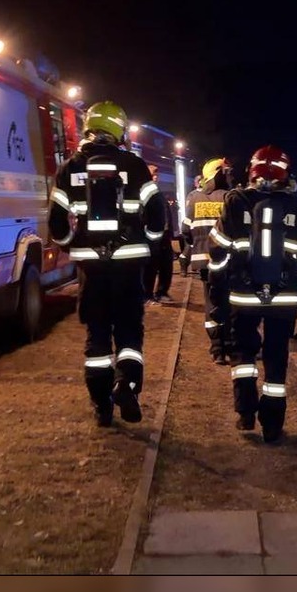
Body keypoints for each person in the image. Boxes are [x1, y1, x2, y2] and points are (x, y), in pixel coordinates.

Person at [47, 101, 166, 427]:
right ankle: (127, 385)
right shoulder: (135, 165)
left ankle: (101, 406)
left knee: (97, 335)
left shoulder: (69, 168)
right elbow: (157, 213)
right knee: (129, 329)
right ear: (119, 130)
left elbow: (56, 222)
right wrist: (149, 241)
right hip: (128, 265)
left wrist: (72, 244)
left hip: (92, 269)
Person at [210, 145, 297, 443]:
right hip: (283, 297)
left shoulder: (236, 200)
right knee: (276, 356)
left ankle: (245, 412)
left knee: (243, 353)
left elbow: (218, 246)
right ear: (286, 173)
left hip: (243, 295)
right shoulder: (295, 204)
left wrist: (217, 284)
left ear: (251, 170)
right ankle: (272, 424)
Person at [182, 158, 233, 365]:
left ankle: (216, 349)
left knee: (211, 302)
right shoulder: (229, 197)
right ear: (219, 174)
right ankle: (229, 343)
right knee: (229, 302)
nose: (229, 176)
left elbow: (185, 230)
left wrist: (195, 246)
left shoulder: (194, 198)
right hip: (227, 261)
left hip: (203, 261)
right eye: (227, 172)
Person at [142, 164, 177, 305]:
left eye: (157, 174)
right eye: (153, 175)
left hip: (164, 235)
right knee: (150, 266)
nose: (156, 177)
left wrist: (170, 232)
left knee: (166, 264)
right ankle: (147, 294)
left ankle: (162, 292)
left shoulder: (159, 194)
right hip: (151, 236)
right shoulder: (144, 193)